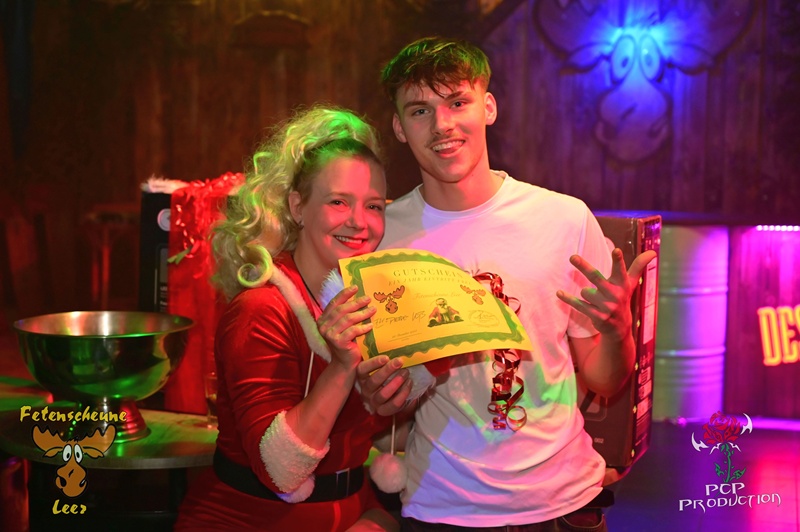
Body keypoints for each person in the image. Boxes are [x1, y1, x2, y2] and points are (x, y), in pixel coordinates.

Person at [356, 37, 658, 531]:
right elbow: (386, 394)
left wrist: (619, 328)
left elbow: (606, 380)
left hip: (564, 502)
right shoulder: (384, 237)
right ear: (399, 127)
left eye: (458, 102)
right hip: (443, 506)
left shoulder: (564, 219)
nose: (442, 124)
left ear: (488, 107)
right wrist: (378, 390)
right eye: (420, 110)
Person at [175, 105, 399, 531]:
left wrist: (378, 520)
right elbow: (281, 472)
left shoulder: (367, 300)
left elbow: (366, 446)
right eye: (338, 202)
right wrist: (343, 367)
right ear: (298, 206)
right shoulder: (261, 309)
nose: (359, 223)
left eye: (374, 206)